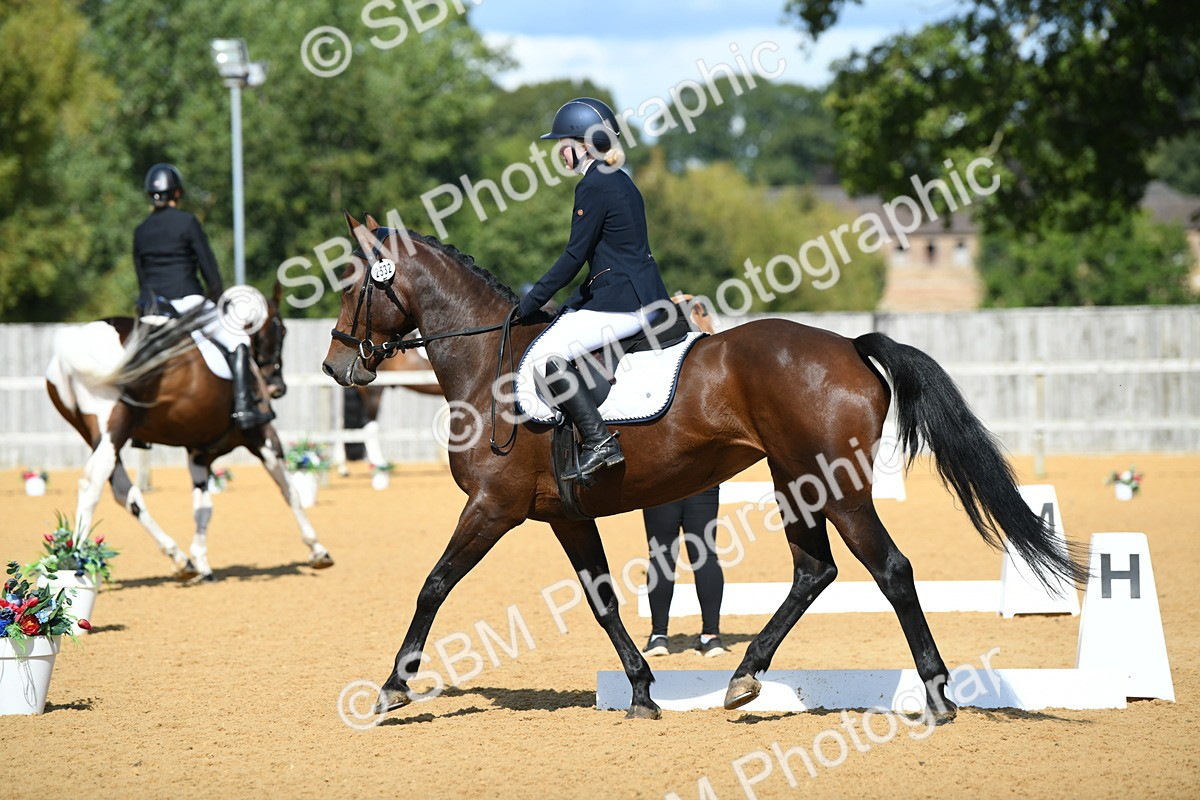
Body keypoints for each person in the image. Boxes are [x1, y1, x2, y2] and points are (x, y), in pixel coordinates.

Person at [516, 98, 671, 480]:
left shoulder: (594, 185)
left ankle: (600, 441)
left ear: (583, 144)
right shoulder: (619, 178)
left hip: (623, 302)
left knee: (545, 356)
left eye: (562, 143)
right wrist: (571, 304)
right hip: (639, 294)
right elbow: (607, 258)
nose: (559, 152)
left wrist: (530, 303)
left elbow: (574, 256)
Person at [133, 163, 273, 429]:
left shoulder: (140, 231)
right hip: (189, 302)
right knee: (238, 339)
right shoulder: (187, 222)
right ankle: (244, 408)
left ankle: (139, 427)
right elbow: (209, 269)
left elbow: (142, 277)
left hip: (155, 309)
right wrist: (218, 297)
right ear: (177, 193)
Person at [641, 486, 727, 657]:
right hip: (702, 481)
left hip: (661, 483)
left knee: (661, 555)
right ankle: (711, 636)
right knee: (706, 554)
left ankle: (658, 636)